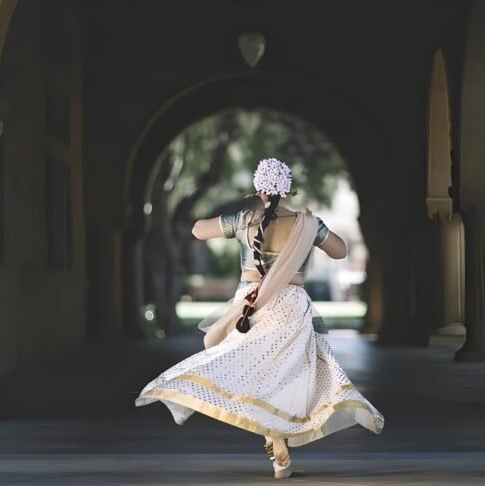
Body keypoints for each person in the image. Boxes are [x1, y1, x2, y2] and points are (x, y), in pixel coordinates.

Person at [135, 158, 384, 479]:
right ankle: (280, 450)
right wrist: (315, 229)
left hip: (250, 306)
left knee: (252, 370)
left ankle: (276, 445)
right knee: (286, 376)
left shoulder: (245, 221)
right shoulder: (306, 224)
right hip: (291, 306)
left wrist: (235, 220)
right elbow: (340, 251)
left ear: (258, 189)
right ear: (289, 190)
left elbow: (197, 230)